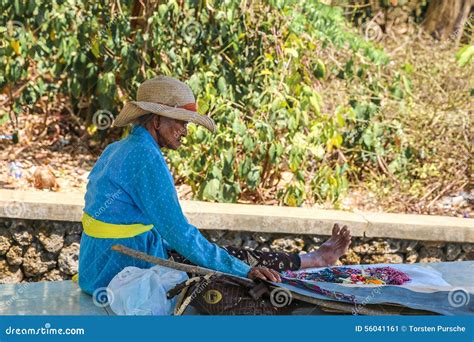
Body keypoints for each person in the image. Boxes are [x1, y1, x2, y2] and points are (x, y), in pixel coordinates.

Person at [78, 75, 352, 314]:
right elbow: (180, 233)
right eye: (181, 122)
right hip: (118, 271)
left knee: (228, 256)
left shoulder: (118, 147)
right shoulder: (145, 156)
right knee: (235, 277)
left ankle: (310, 260)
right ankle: (309, 262)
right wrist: (241, 271)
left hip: (95, 267)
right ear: (157, 119)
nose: (185, 130)